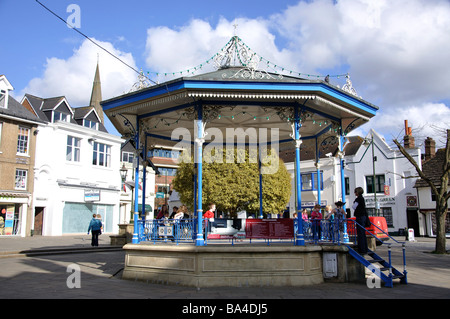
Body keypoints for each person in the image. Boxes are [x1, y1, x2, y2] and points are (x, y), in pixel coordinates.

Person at [353, 187, 369, 254]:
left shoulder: (358, 199)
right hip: (364, 216)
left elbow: (354, 207)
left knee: (360, 233)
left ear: (357, 192)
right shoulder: (362, 199)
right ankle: (365, 248)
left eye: (355, 192)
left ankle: (362, 249)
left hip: (360, 217)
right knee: (363, 233)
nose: (355, 193)